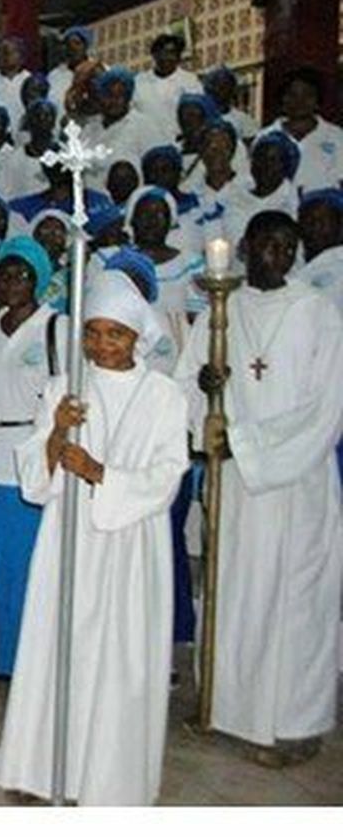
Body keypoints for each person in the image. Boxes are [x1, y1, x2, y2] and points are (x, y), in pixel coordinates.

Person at [0, 271, 189, 805]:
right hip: (69, 539)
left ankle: (110, 782)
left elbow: (168, 473)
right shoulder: (66, 388)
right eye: (94, 332)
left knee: (117, 659)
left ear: (137, 337)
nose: (103, 344)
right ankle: (44, 771)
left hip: (130, 544)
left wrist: (102, 475)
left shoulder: (163, 396)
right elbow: (35, 475)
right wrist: (58, 431)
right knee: (58, 647)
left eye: (116, 334)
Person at [175, 210, 343, 766]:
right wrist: (204, 394)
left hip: (295, 484)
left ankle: (296, 725)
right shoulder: (223, 309)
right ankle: (226, 708)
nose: (278, 254)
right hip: (234, 487)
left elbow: (328, 410)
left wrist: (242, 442)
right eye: (266, 244)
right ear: (245, 249)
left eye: (287, 245)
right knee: (233, 592)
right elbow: (186, 389)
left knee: (294, 604)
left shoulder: (318, 313)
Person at [0, 237, 64, 676]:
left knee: (31, 561)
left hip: (32, 453)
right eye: (5, 273)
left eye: (23, 274)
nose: (12, 282)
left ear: (40, 281)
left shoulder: (56, 328)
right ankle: (0, 657)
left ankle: (34, 658)